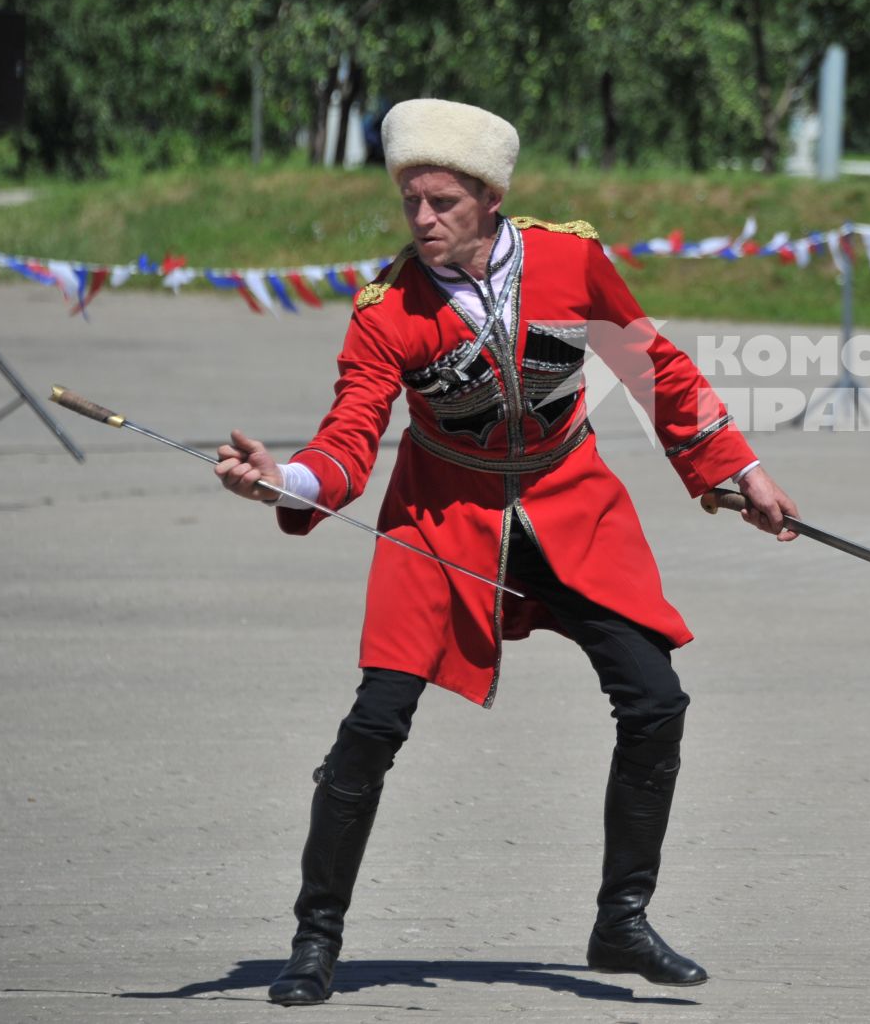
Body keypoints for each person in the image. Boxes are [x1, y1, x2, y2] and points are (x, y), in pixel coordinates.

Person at [212, 98, 799, 1003]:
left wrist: (739, 468)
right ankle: (315, 937)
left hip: (571, 506)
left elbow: (655, 366)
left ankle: (622, 920)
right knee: (375, 723)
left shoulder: (572, 259)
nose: (421, 219)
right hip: (442, 520)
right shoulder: (386, 310)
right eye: (409, 199)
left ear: (490, 198)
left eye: (441, 201)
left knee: (655, 700)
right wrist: (286, 481)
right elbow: (349, 438)